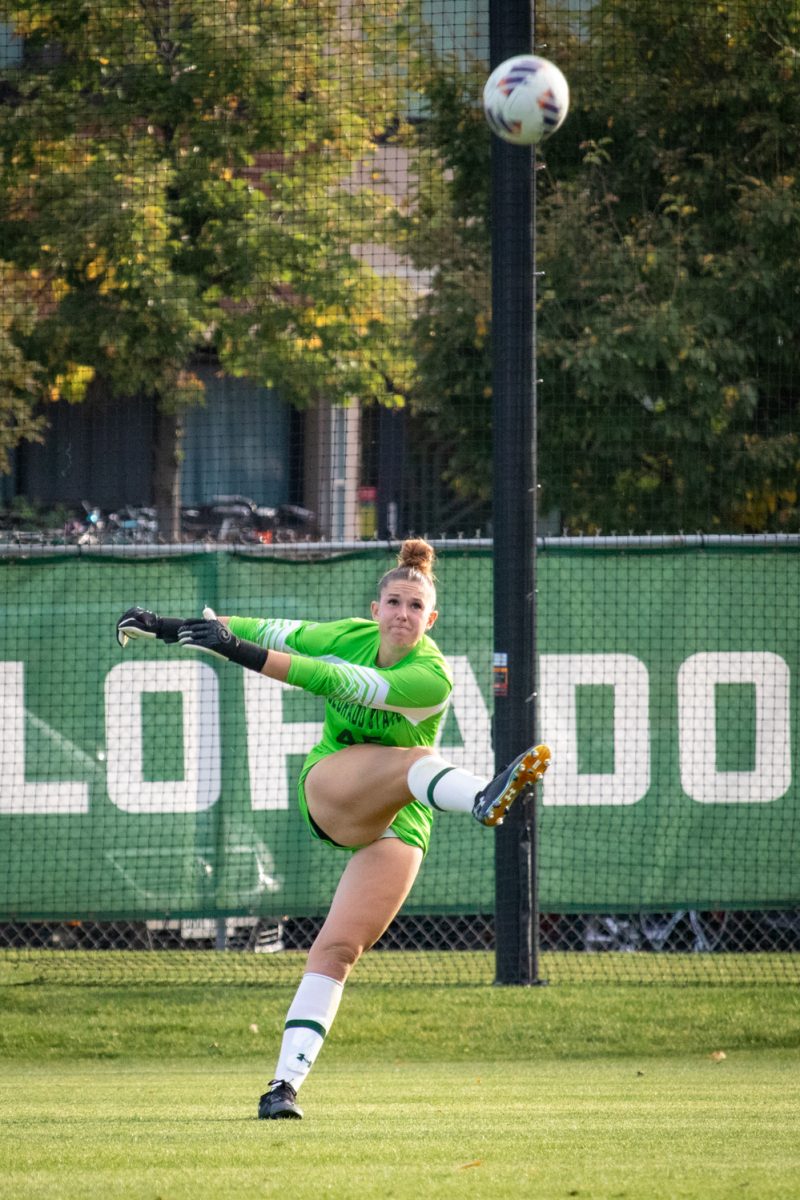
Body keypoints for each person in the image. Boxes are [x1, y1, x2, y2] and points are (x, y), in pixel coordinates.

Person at [115, 538, 550, 1121]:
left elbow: (334, 683)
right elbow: (266, 631)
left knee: (340, 949)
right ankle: (479, 796)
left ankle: (282, 1087)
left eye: (415, 607)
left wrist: (233, 648)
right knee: (409, 763)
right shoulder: (349, 636)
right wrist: (173, 628)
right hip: (332, 789)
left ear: (431, 618)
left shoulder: (431, 678)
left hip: (402, 812)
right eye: (393, 602)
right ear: (375, 610)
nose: (402, 614)